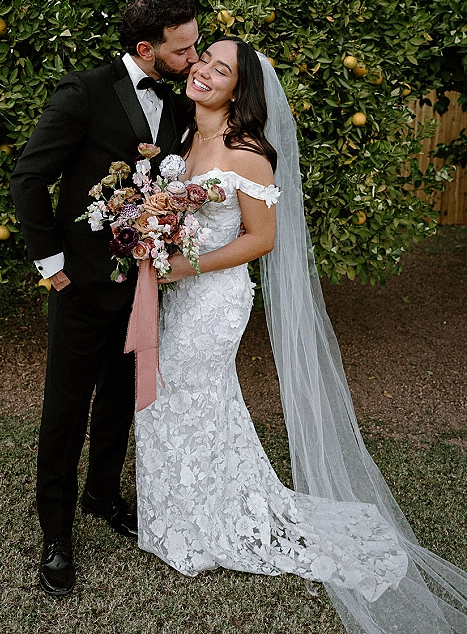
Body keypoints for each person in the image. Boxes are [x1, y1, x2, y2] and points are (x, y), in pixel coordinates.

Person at [135, 38, 467, 634]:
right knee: (170, 399)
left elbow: (262, 238)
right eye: (203, 60)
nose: (204, 71)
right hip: (177, 290)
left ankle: (210, 523)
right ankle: (179, 513)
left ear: (240, 89)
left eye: (221, 68)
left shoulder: (247, 153)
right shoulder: (186, 137)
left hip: (213, 295)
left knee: (191, 394)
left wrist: (189, 265)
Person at [10, 0, 199, 596]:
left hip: (144, 284)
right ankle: (56, 533)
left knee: (121, 396)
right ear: (146, 49)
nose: (193, 56)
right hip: (82, 283)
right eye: (183, 47)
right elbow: (30, 176)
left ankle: (103, 494)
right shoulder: (83, 93)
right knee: (65, 408)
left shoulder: (177, 104)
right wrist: (51, 262)